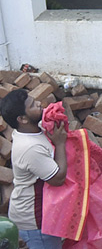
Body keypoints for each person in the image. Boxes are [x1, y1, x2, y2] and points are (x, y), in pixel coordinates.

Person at [1, 87, 68, 249]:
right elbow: (58, 178)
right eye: (32, 105)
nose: (39, 104)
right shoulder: (30, 148)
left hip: (40, 215)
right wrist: (60, 144)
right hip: (34, 222)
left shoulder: (30, 129)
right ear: (22, 119)